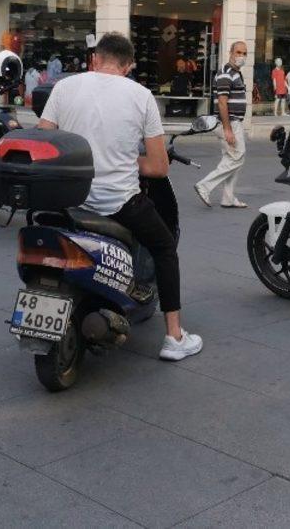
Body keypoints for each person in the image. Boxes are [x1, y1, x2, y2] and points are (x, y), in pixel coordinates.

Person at [38, 33, 203, 362]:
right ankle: (174, 336)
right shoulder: (141, 96)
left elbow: (45, 141)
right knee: (164, 248)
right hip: (118, 203)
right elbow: (158, 167)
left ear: (95, 59)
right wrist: (128, 160)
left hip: (69, 199)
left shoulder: (64, 87)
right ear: (128, 66)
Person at [194, 41, 250, 209]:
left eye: (244, 53)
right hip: (230, 122)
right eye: (238, 52)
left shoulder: (235, 73)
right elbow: (222, 103)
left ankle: (228, 198)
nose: (241, 56)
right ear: (231, 53)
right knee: (238, 157)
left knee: (231, 158)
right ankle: (204, 186)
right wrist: (227, 129)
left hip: (233, 122)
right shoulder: (226, 73)